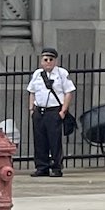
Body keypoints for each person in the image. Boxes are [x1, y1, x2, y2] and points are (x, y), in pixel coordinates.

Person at [28, 47, 75, 177]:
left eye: (51, 59)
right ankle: (41, 166)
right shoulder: (37, 74)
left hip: (54, 111)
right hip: (39, 110)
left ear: (55, 61)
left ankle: (56, 166)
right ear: (41, 61)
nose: (48, 62)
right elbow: (32, 92)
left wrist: (63, 110)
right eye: (45, 59)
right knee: (40, 140)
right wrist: (31, 109)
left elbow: (68, 92)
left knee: (54, 140)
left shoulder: (61, 74)